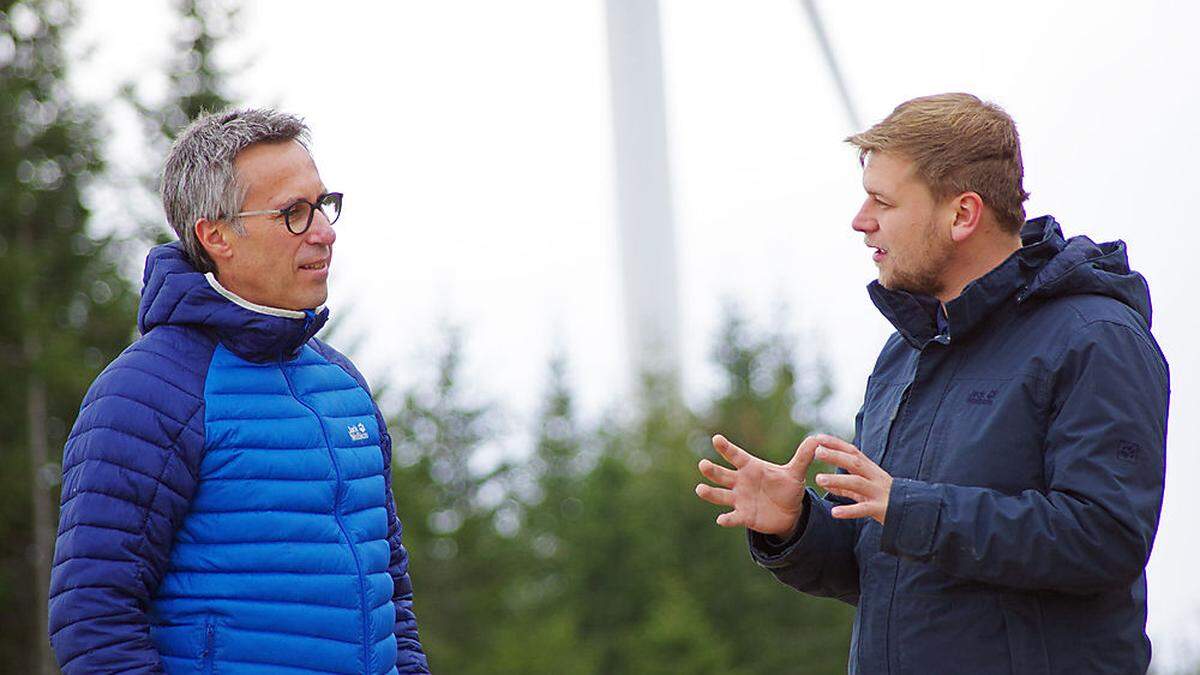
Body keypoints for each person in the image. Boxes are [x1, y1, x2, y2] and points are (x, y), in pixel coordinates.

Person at [695, 93, 1169, 674]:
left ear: (963, 215)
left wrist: (910, 509)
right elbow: (891, 569)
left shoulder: (1095, 337)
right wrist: (797, 525)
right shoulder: (904, 354)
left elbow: (1104, 539)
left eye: (883, 201)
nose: (860, 220)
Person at [48, 109, 429, 674]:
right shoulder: (142, 395)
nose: (324, 232)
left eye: (323, 206)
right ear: (216, 235)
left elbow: (389, 592)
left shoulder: (344, 385)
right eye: (293, 214)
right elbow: (94, 619)